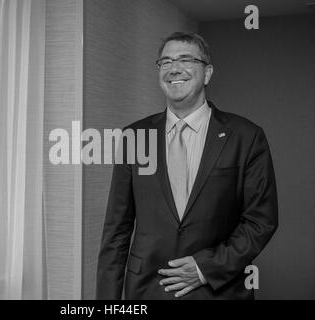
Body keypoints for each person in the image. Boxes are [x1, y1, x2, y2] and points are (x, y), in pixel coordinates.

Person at [96, 32, 278, 300]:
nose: (174, 69)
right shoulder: (133, 136)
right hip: (146, 291)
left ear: (207, 73)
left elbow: (261, 220)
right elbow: (116, 230)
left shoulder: (246, 136)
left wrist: (205, 267)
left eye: (185, 59)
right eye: (165, 62)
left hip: (218, 290)